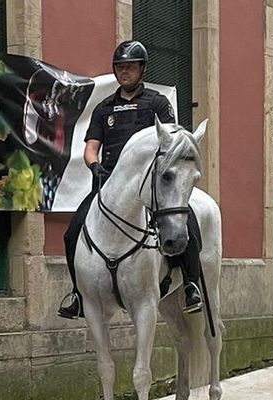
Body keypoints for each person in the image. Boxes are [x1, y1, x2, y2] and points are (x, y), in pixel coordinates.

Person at [57, 40, 205, 319]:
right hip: (110, 185)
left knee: (189, 224)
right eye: (120, 67)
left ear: (142, 70)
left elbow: (172, 143)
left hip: (150, 186)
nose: (125, 72)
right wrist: (95, 166)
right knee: (71, 232)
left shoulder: (157, 103)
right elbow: (91, 147)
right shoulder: (104, 108)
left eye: (130, 67)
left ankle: (190, 284)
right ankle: (77, 293)